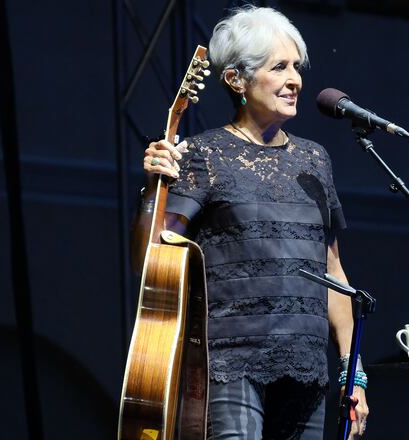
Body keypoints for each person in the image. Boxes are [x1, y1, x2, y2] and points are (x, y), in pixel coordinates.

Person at [131, 6, 370, 439]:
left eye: (296, 66)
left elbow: (333, 274)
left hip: (307, 372)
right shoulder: (203, 156)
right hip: (231, 369)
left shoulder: (314, 161)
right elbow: (149, 259)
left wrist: (353, 375)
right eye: (279, 67)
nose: (294, 80)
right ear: (236, 80)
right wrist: (153, 191)